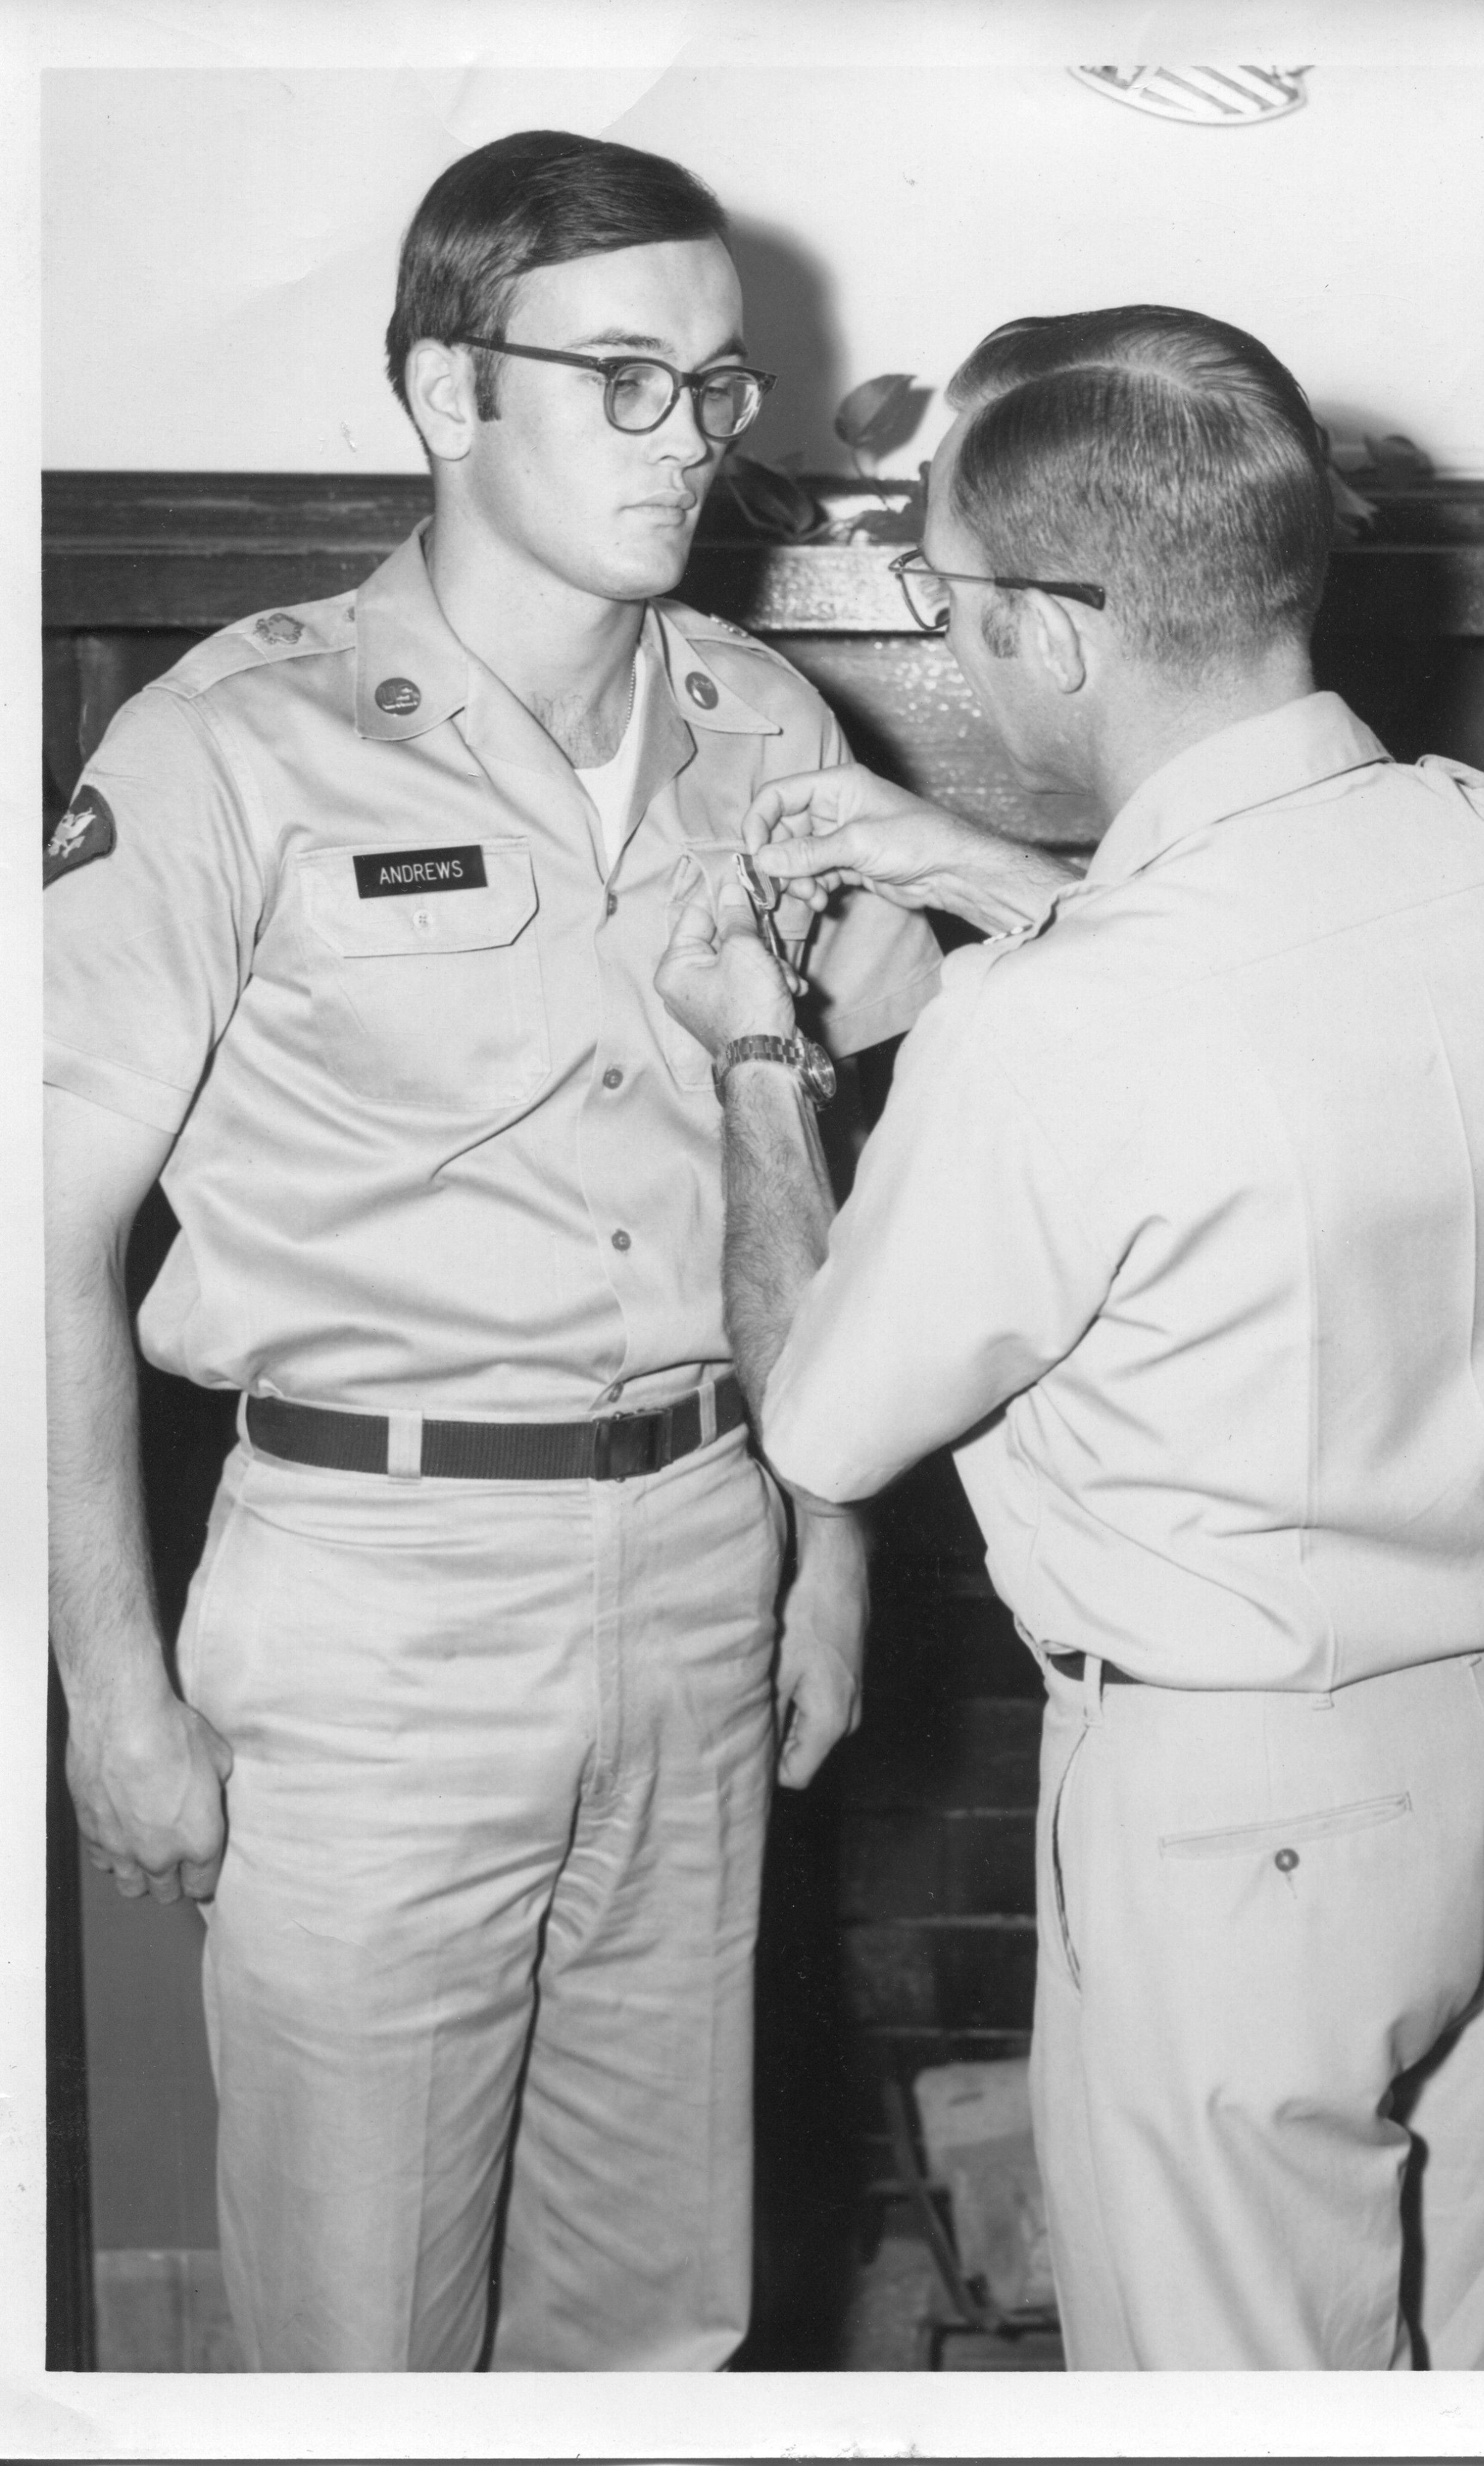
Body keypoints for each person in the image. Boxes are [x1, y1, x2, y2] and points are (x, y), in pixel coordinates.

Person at [656, 305, 1484, 2371]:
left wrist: (761, 1046)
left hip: (1247, 1821)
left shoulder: (1062, 1031)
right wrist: (1015, 886)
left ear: (1050, 631)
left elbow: (825, 1420)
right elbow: (1288, 1000)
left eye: (946, 583)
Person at [44, 129, 940, 2373]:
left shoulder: (763, 725)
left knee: (663, 2321)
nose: (694, 446)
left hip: (707, 1548)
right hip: (374, 1604)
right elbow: (33, 1236)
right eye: (623, 381)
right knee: (366, 2333)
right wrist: (110, 1688)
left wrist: (823, 1536)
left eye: (722, 390)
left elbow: (804, 1172)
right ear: (451, 396)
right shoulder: (230, 745)